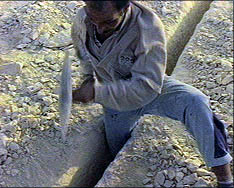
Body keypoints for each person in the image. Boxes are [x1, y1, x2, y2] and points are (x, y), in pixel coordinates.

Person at [71, 1, 233, 187]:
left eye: (109, 22)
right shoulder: (83, 18)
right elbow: (84, 54)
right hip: (114, 98)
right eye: (94, 21)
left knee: (195, 101)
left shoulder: (147, 27)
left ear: (125, 9)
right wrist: (87, 79)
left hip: (150, 85)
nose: (100, 28)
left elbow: (147, 86)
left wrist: (97, 92)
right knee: (116, 146)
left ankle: (225, 179)